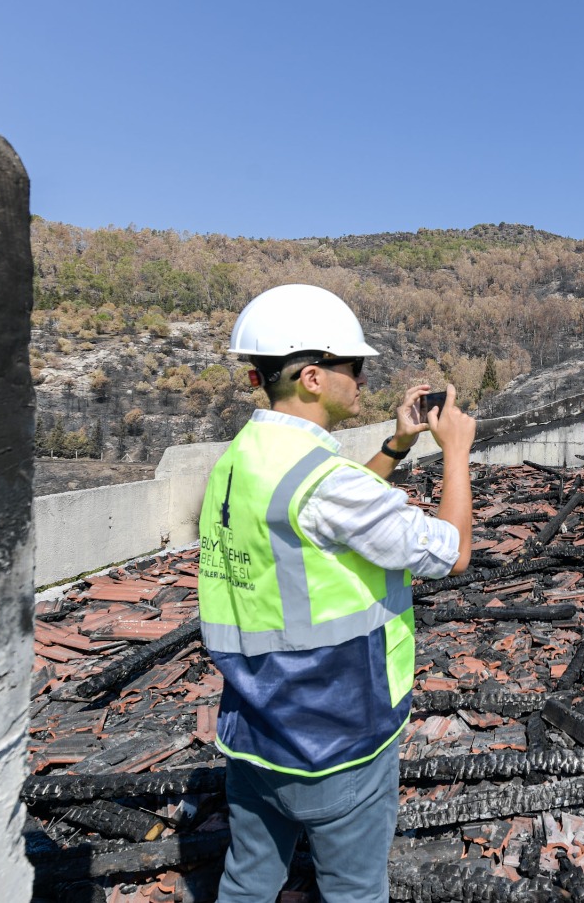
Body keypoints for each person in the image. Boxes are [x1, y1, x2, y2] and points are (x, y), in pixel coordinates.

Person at [196, 283, 477, 903]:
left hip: (255, 727)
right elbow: (451, 552)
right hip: (336, 736)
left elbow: (324, 512)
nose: (363, 378)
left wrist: (398, 445)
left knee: (247, 880)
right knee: (353, 891)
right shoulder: (320, 481)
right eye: (356, 366)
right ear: (315, 378)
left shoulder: (242, 460)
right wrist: (456, 453)